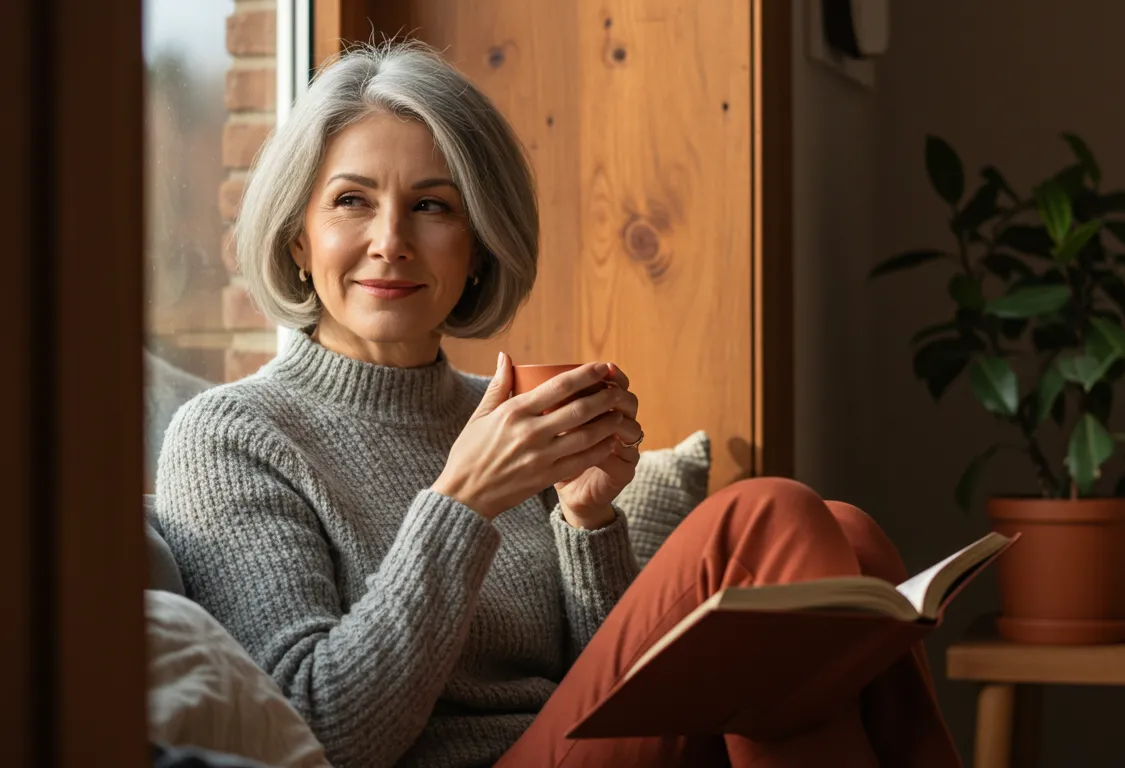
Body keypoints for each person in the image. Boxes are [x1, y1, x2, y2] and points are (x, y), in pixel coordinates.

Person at [155, 40, 961, 768]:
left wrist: (587, 522)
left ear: (476, 248)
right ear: (298, 236)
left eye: (433, 206)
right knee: (763, 522)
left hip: (578, 750)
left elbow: (600, 690)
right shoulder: (232, 436)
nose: (390, 238)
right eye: (351, 201)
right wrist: (462, 502)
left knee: (849, 538)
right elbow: (322, 735)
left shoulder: (511, 417)